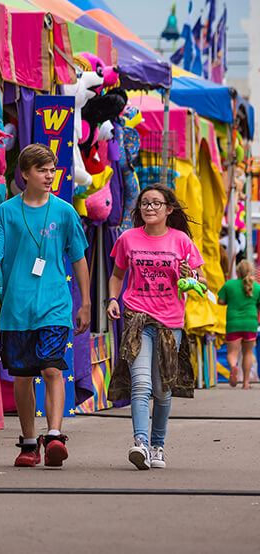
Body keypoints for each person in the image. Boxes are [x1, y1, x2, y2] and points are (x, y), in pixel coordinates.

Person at [0, 143, 91, 468]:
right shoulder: (6, 212)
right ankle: (29, 442)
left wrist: (84, 303)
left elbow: (79, 258)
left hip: (55, 305)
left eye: (52, 169)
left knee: (52, 367)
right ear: (25, 173)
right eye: (42, 170)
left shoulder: (65, 212)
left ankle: (54, 435)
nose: (48, 175)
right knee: (24, 376)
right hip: (16, 308)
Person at [107, 183, 205, 471]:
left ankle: (157, 445)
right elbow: (117, 274)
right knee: (141, 384)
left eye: (156, 203)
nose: (149, 208)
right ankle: (139, 443)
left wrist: (190, 276)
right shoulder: (127, 238)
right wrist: (112, 299)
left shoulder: (182, 242)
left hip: (169, 324)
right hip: (137, 318)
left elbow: (202, 284)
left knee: (162, 391)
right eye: (144, 204)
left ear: (169, 209)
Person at [217, 260, 259, 389]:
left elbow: (220, 301)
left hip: (233, 323)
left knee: (232, 353)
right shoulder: (257, 287)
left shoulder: (229, 284)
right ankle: (246, 383)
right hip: (250, 323)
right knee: (247, 353)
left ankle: (233, 367)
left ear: (237, 272)